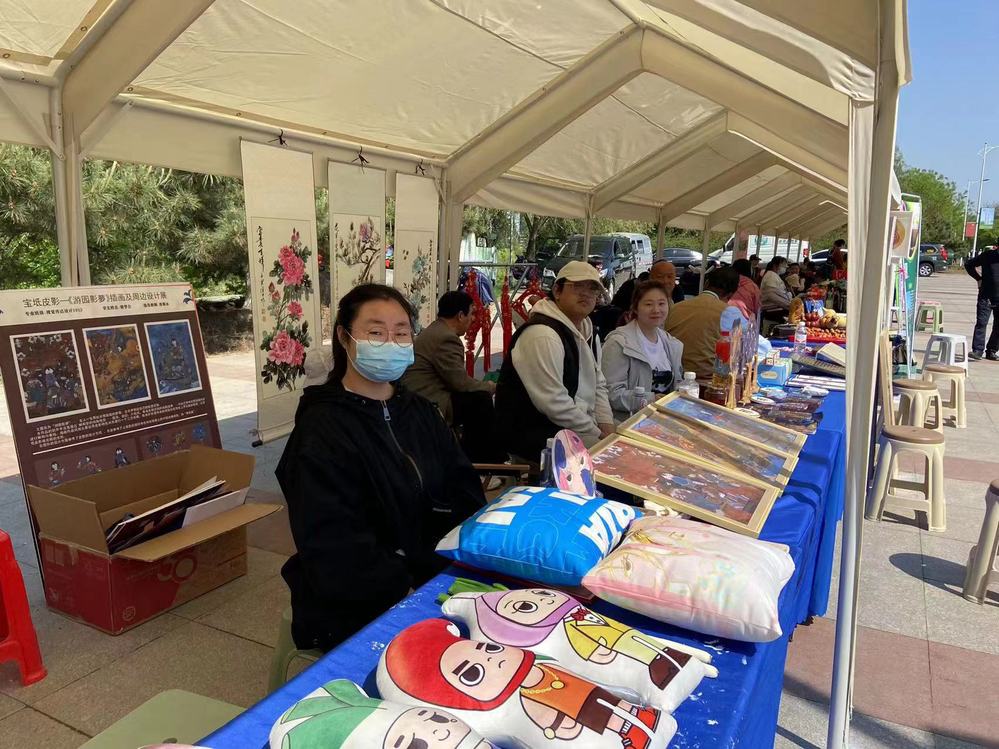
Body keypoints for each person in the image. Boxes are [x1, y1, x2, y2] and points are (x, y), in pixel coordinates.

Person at [276, 283, 485, 651]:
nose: (390, 342)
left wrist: (465, 561)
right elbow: (333, 545)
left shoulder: (420, 411)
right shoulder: (321, 430)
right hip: (365, 600)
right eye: (375, 333)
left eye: (401, 333)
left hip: (439, 579)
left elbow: (464, 488)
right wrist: (411, 591)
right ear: (345, 337)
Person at [495, 261, 614, 462]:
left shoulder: (588, 331)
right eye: (577, 286)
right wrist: (598, 434)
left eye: (593, 289)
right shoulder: (543, 334)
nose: (586, 294)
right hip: (538, 434)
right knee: (611, 460)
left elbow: (598, 384)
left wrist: (607, 425)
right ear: (557, 291)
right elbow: (554, 403)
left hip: (576, 424)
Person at [401, 290, 504, 462]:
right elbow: (460, 383)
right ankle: (484, 461)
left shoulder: (435, 330)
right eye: (471, 314)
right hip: (427, 400)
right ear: (460, 316)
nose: (473, 319)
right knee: (480, 400)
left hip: (418, 395)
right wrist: (490, 387)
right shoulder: (446, 338)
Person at [601, 281, 684, 421]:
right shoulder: (619, 343)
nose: (656, 310)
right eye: (648, 304)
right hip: (629, 422)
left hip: (664, 419)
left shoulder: (671, 344)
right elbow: (611, 394)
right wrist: (650, 399)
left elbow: (677, 383)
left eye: (661, 303)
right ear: (635, 308)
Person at [664, 267, 740, 379]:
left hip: (673, 374)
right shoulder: (730, 313)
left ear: (706, 283)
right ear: (731, 294)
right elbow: (735, 355)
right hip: (709, 378)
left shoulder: (675, 308)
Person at [966, 246, 999, 360]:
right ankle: (977, 351)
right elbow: (969, 264)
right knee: (981, 323)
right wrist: (978, 278)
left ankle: (991, 351)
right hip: (986, 296)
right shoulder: (987, 255)